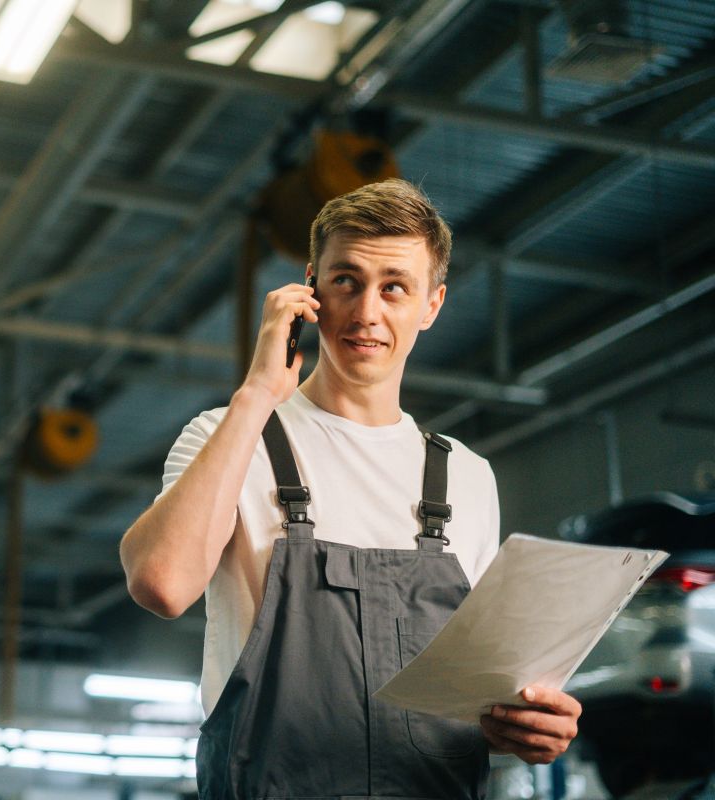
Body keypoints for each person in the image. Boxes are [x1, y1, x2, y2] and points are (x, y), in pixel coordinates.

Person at [119, 179, 581, 799]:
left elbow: (461, 705)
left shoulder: (467, 477)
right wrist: (255, 396)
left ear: (432, 304)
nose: (367, 312)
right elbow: (161, 584)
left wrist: (525, 727)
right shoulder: (231, 436)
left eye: (395, 287)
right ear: (310, 289)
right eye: (346, 281)